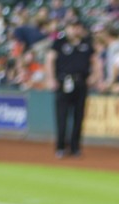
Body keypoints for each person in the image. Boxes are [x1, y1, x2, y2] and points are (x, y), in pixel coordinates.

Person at [47, 18, 96, 158]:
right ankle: (61, 147)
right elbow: (49, 59)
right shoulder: (60, 42)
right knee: (62, 116)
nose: (75, 30)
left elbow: (95, 60)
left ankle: (75, 147)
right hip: (64, 82)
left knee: (78, 117)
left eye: (78, 27)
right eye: (72, 27)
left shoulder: (86, 43)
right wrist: (50, 79)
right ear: (67, 28)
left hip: (81, 82)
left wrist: (96, 76)